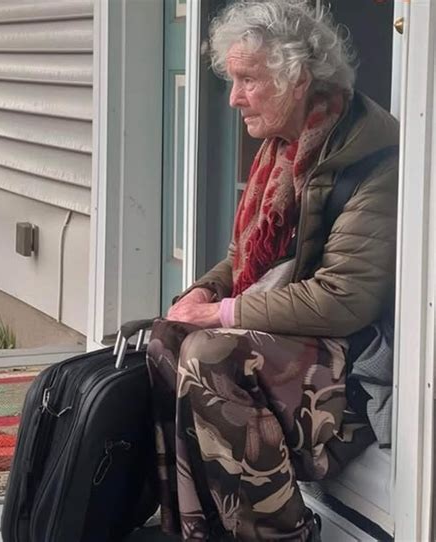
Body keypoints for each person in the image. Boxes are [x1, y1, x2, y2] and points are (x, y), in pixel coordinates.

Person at [146, 1, 399, 540]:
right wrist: (204, 291)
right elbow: (245, 259)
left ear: (297, 78)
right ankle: (200, 527)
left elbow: (344, 299)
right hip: (299, 339)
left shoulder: (370, 159)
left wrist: (221, 313)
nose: (233, 97)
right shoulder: (284, 151)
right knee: (166, 338)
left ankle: (282, 533)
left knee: (211, 354)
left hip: (352, 364)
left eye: (249, 80)